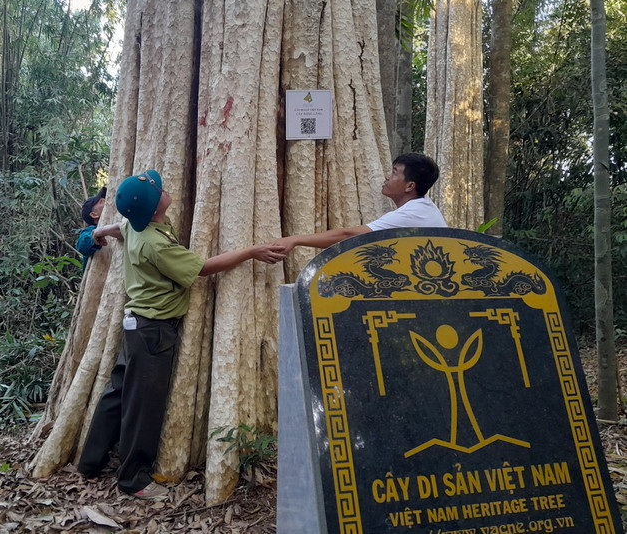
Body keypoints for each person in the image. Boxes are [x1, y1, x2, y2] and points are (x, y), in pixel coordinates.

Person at [78, 169, 286, 500]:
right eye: (158, 190)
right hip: (154, 330)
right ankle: (133, 478)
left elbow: (121, 227)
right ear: (153, 207)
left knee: (119, 392)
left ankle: (89, 461)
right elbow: (202, 268)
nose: (163, 189)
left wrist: (101, 230)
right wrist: (252, 252)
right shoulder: (156, 243)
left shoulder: (137, 224)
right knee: (143, 406)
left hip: (136, 324)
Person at [275, 152, 447, 252]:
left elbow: (348, 236)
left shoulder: (412, 214)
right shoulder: (424, 205)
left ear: (410, 186)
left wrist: (296, 240)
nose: (387, 177)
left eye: (394, 173)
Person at [75, 186, 107, 270]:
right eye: (101, 201)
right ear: (94, 214)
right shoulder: (90, 230)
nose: (106, 201)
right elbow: (82, 245)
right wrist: (94, 237)